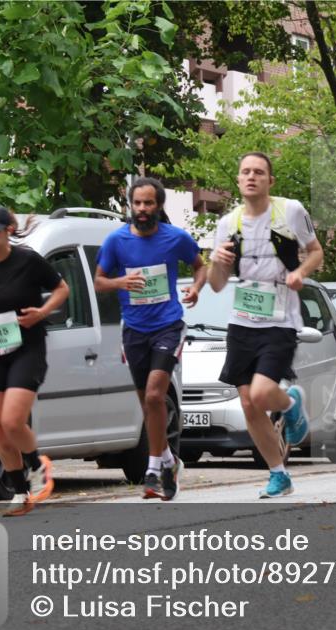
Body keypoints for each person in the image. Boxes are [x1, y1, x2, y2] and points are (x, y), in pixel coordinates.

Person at [207, 152, 323, 498]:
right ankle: (278, 474)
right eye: (245, 172)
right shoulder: (228, 224)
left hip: (281, 321)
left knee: (260, 394)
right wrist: (215, 261)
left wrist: (300, 273)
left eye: (259, 172)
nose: (251, 177)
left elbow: (316, 251)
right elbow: (215, 284)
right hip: (241, 321)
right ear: (238, 181)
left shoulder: (289, 211)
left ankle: (289, 404)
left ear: (270, 180)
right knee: (248, 405)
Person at [95, 177, 207, 501]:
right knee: (147, 402)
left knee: (157, 395)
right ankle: (170, 460)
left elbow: (200, 266)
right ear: (131, 205)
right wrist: (121, 282)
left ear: (159, 206)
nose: (142, 210)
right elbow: (99, 281)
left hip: (168, 326)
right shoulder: (116, 241)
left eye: (149, 203)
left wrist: (196, 287)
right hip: (133, 330)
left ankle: (154, 468)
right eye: (137, 203)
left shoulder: (175, 238)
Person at [0, 205, 70, 516]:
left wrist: (42, 313)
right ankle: (21, 494)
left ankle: (37, 466)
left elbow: (62, 289)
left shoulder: (28, 260)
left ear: (8, 231)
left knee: (12, 420)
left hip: (28, 346)